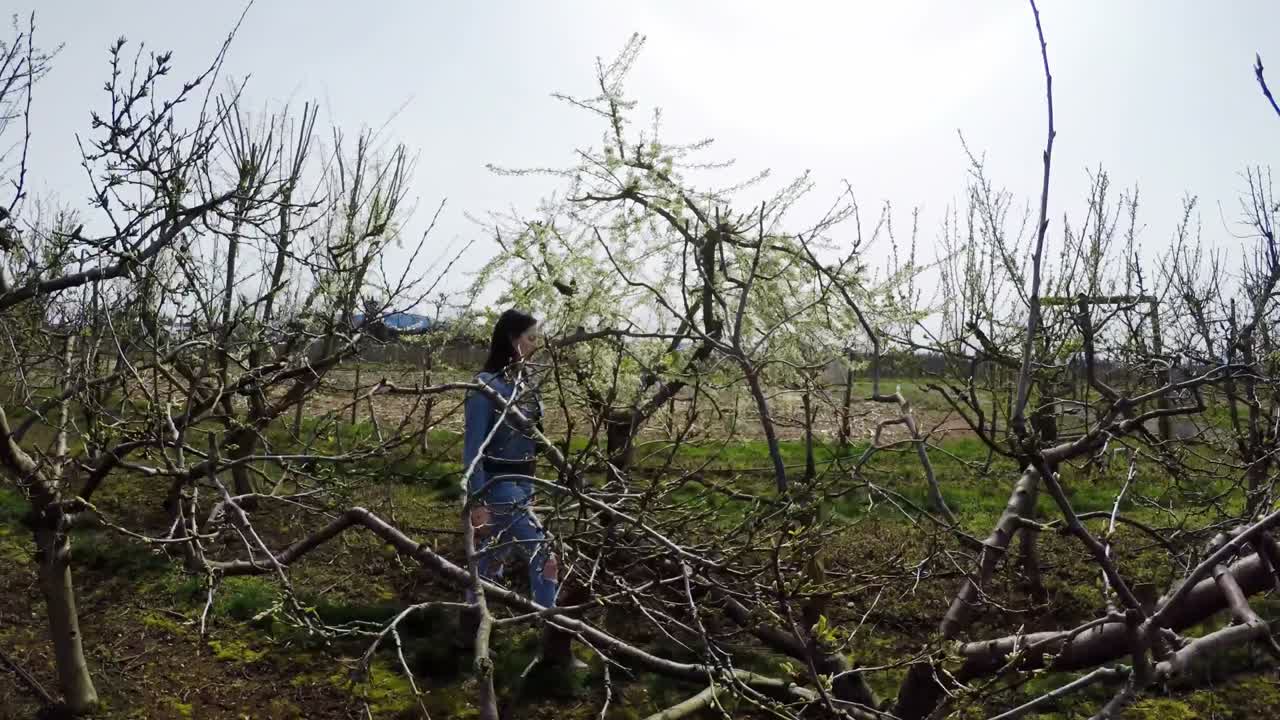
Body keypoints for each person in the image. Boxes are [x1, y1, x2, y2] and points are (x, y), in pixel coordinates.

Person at [460, 309, 579, 668]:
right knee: (546, 555)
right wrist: (476, 501)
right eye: (530, 338)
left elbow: (531, 441)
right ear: (513, 340)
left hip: (522, 486)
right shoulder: (485, 387)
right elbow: (473, 449)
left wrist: (531, 488)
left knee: (490, 559)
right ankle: (553, 647)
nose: (536, 345)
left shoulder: (524, 386)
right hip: (498, 486)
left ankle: (468, 632)